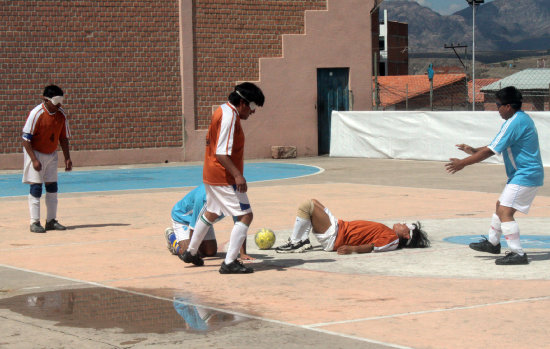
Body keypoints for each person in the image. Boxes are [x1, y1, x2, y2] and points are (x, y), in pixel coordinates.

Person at [445, 86, 543, 265]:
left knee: (505, 211)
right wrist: (473, 150)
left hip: (526, 174)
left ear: (508, 106)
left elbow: (490, 151)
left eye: (498, 105)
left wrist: (462, 164)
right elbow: (494, 145)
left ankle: (518, 253)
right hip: (524, 174)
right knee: (500, 205)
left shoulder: (514, 122)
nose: (497, 109)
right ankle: (493, 243)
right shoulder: (519, 119)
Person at [180, 82, 265, 274]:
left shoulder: (222, 110)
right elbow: (221, 152)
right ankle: (229, 262)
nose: (252, 112)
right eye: (252, 107)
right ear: (243, 103)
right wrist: (237, 175)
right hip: (223, 176)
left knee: (211, 211)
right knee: (245, 215)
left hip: (211, 173)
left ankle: (191, 252)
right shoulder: (229, 118)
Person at [275, 199, 430, 254]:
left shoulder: (392, 240)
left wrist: (353, 249)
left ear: (407, 235)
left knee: (307, 206)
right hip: (339, 228)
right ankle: (302, 240)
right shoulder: (390, 233)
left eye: (407, 226)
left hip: (336, 237)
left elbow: (373, 247)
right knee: (314, 202)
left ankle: (297, 241)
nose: (403, 223)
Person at [22, 85, 72, 233]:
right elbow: (25, 139)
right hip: (35, 153)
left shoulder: (61, 114)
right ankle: (34, 222)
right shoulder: (36, 114)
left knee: (52, 188)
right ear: (46, 99)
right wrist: (34, 160)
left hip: (51, 154)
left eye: (61, 101)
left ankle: (51, 220)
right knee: (36, 187)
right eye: (56, 101)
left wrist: (67, 158)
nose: (59, 105)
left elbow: (64, 138)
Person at [164, 184, 253, 260]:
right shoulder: (204, 197)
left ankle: (198, 244)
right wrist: (193, 253)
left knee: (210, 252)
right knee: (186, 254)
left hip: (204, 219)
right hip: (182, 218)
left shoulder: (234, 194)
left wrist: (243, 253)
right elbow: (193, 226)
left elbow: (241, 222)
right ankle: (172, 238)